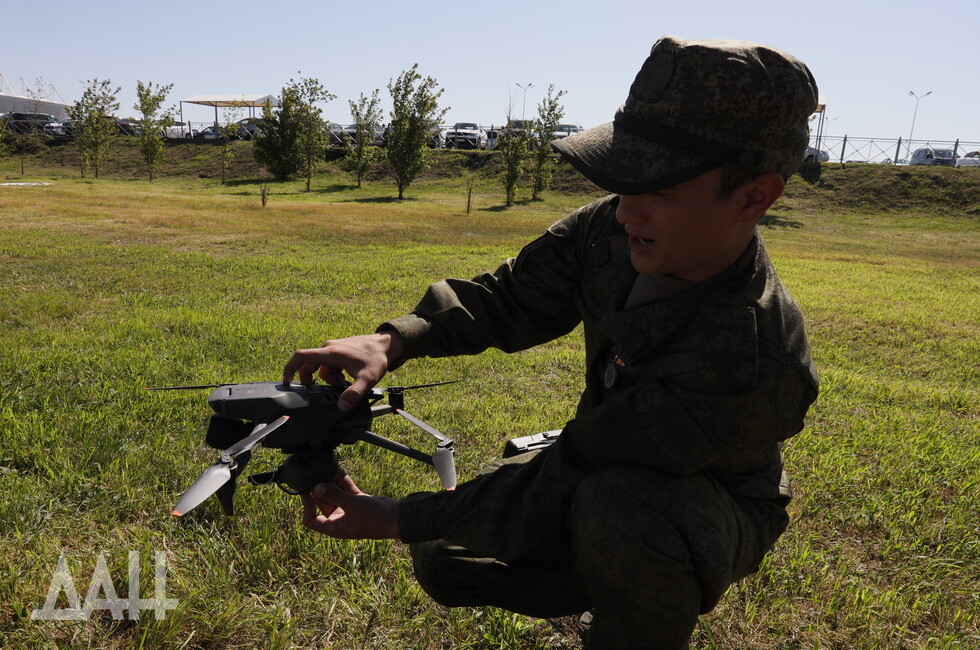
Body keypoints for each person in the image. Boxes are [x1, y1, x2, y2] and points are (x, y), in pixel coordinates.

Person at [283, 35, 820, 649]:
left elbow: (584, 464)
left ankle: (632, 624)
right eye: (624, 179)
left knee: (623, 512)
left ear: (754, 196)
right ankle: (602, 573)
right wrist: (395, 341)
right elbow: (512, 297)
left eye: (660, 187)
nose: (626, 211)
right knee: (448, 555)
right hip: (598, 457)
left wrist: (397, 516)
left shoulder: (752, 358)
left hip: (699, 501)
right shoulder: (613, 228)